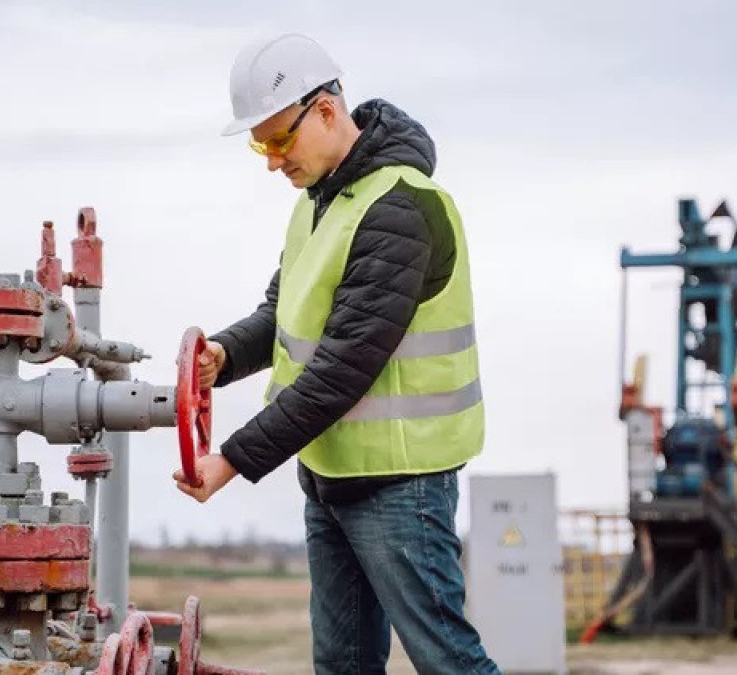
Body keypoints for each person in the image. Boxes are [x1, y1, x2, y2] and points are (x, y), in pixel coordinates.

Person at [173, 33, 500, 675]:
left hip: (403, 486)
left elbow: (342, 369)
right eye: (260, 146)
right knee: (342, 665)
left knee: (448, 661)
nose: (272, 162)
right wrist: (224, 355)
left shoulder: (400, 209)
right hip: (330, 479)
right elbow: (282, 314)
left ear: (325, 110)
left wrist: (231, 461)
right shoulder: (317, 205)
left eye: (278, 141)